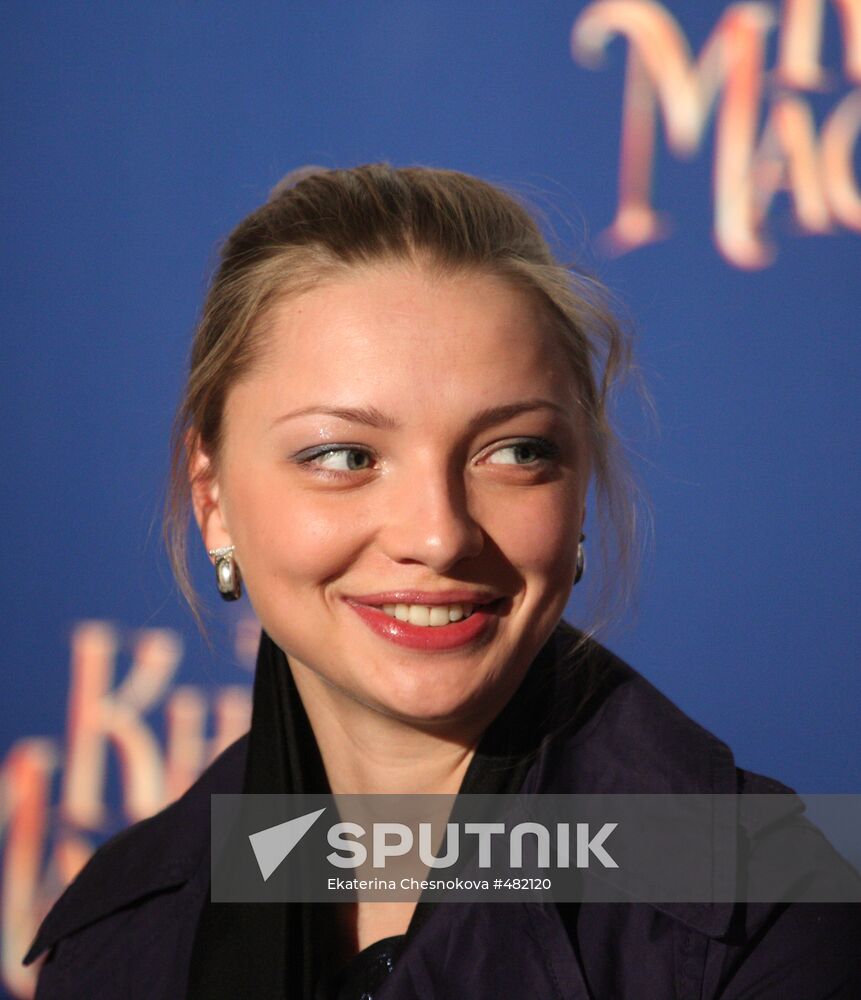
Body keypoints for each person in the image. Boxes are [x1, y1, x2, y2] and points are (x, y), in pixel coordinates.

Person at [23, 164, 859, 998]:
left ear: (576, 489)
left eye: (515, 452)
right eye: (343, 456)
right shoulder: (116, 939)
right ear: (212, 500)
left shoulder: (771, 912)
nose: (439, 534)